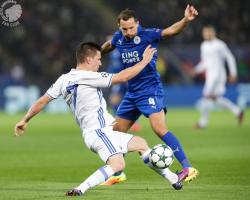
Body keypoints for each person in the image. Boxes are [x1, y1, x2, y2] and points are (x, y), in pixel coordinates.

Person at [14, 42, 183, 196]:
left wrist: (25, 119)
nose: (100, 63)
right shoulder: (89, 77)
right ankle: (80, 189)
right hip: (99, 132)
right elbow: (123, 77)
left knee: (141, 144)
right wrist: (145, 61)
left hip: (99, 132)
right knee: (118, 165)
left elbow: (42, 101)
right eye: (98, 59)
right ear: (88, 59)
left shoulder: (64, 79)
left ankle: (173, 179)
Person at [101, 5, 199, 184]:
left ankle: (188, 168)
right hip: (131, 93)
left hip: (150, 90)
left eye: (132, 27)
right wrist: (97, 54)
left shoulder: (148, 35)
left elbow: (170, 31)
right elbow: (109, 45)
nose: (129, 32)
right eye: (125, 29)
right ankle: (118, 173)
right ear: (119, 27)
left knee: (159, 129)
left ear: (137, 24)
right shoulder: (118, 38)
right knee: (115, 133)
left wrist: (185, 20)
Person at [189, 25, 244, 128]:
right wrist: (195, 70)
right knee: (216, 99)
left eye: (209, 32)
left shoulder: (220, 45)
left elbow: (230, 58)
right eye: (205, 33)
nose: (207, 34)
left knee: (206, 95)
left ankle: (202, 123)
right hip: (210, 76)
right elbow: (205, 63)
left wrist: (233, 73)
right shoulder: (204, 45)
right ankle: (238, 111)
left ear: (213, 33)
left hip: (218, 76)